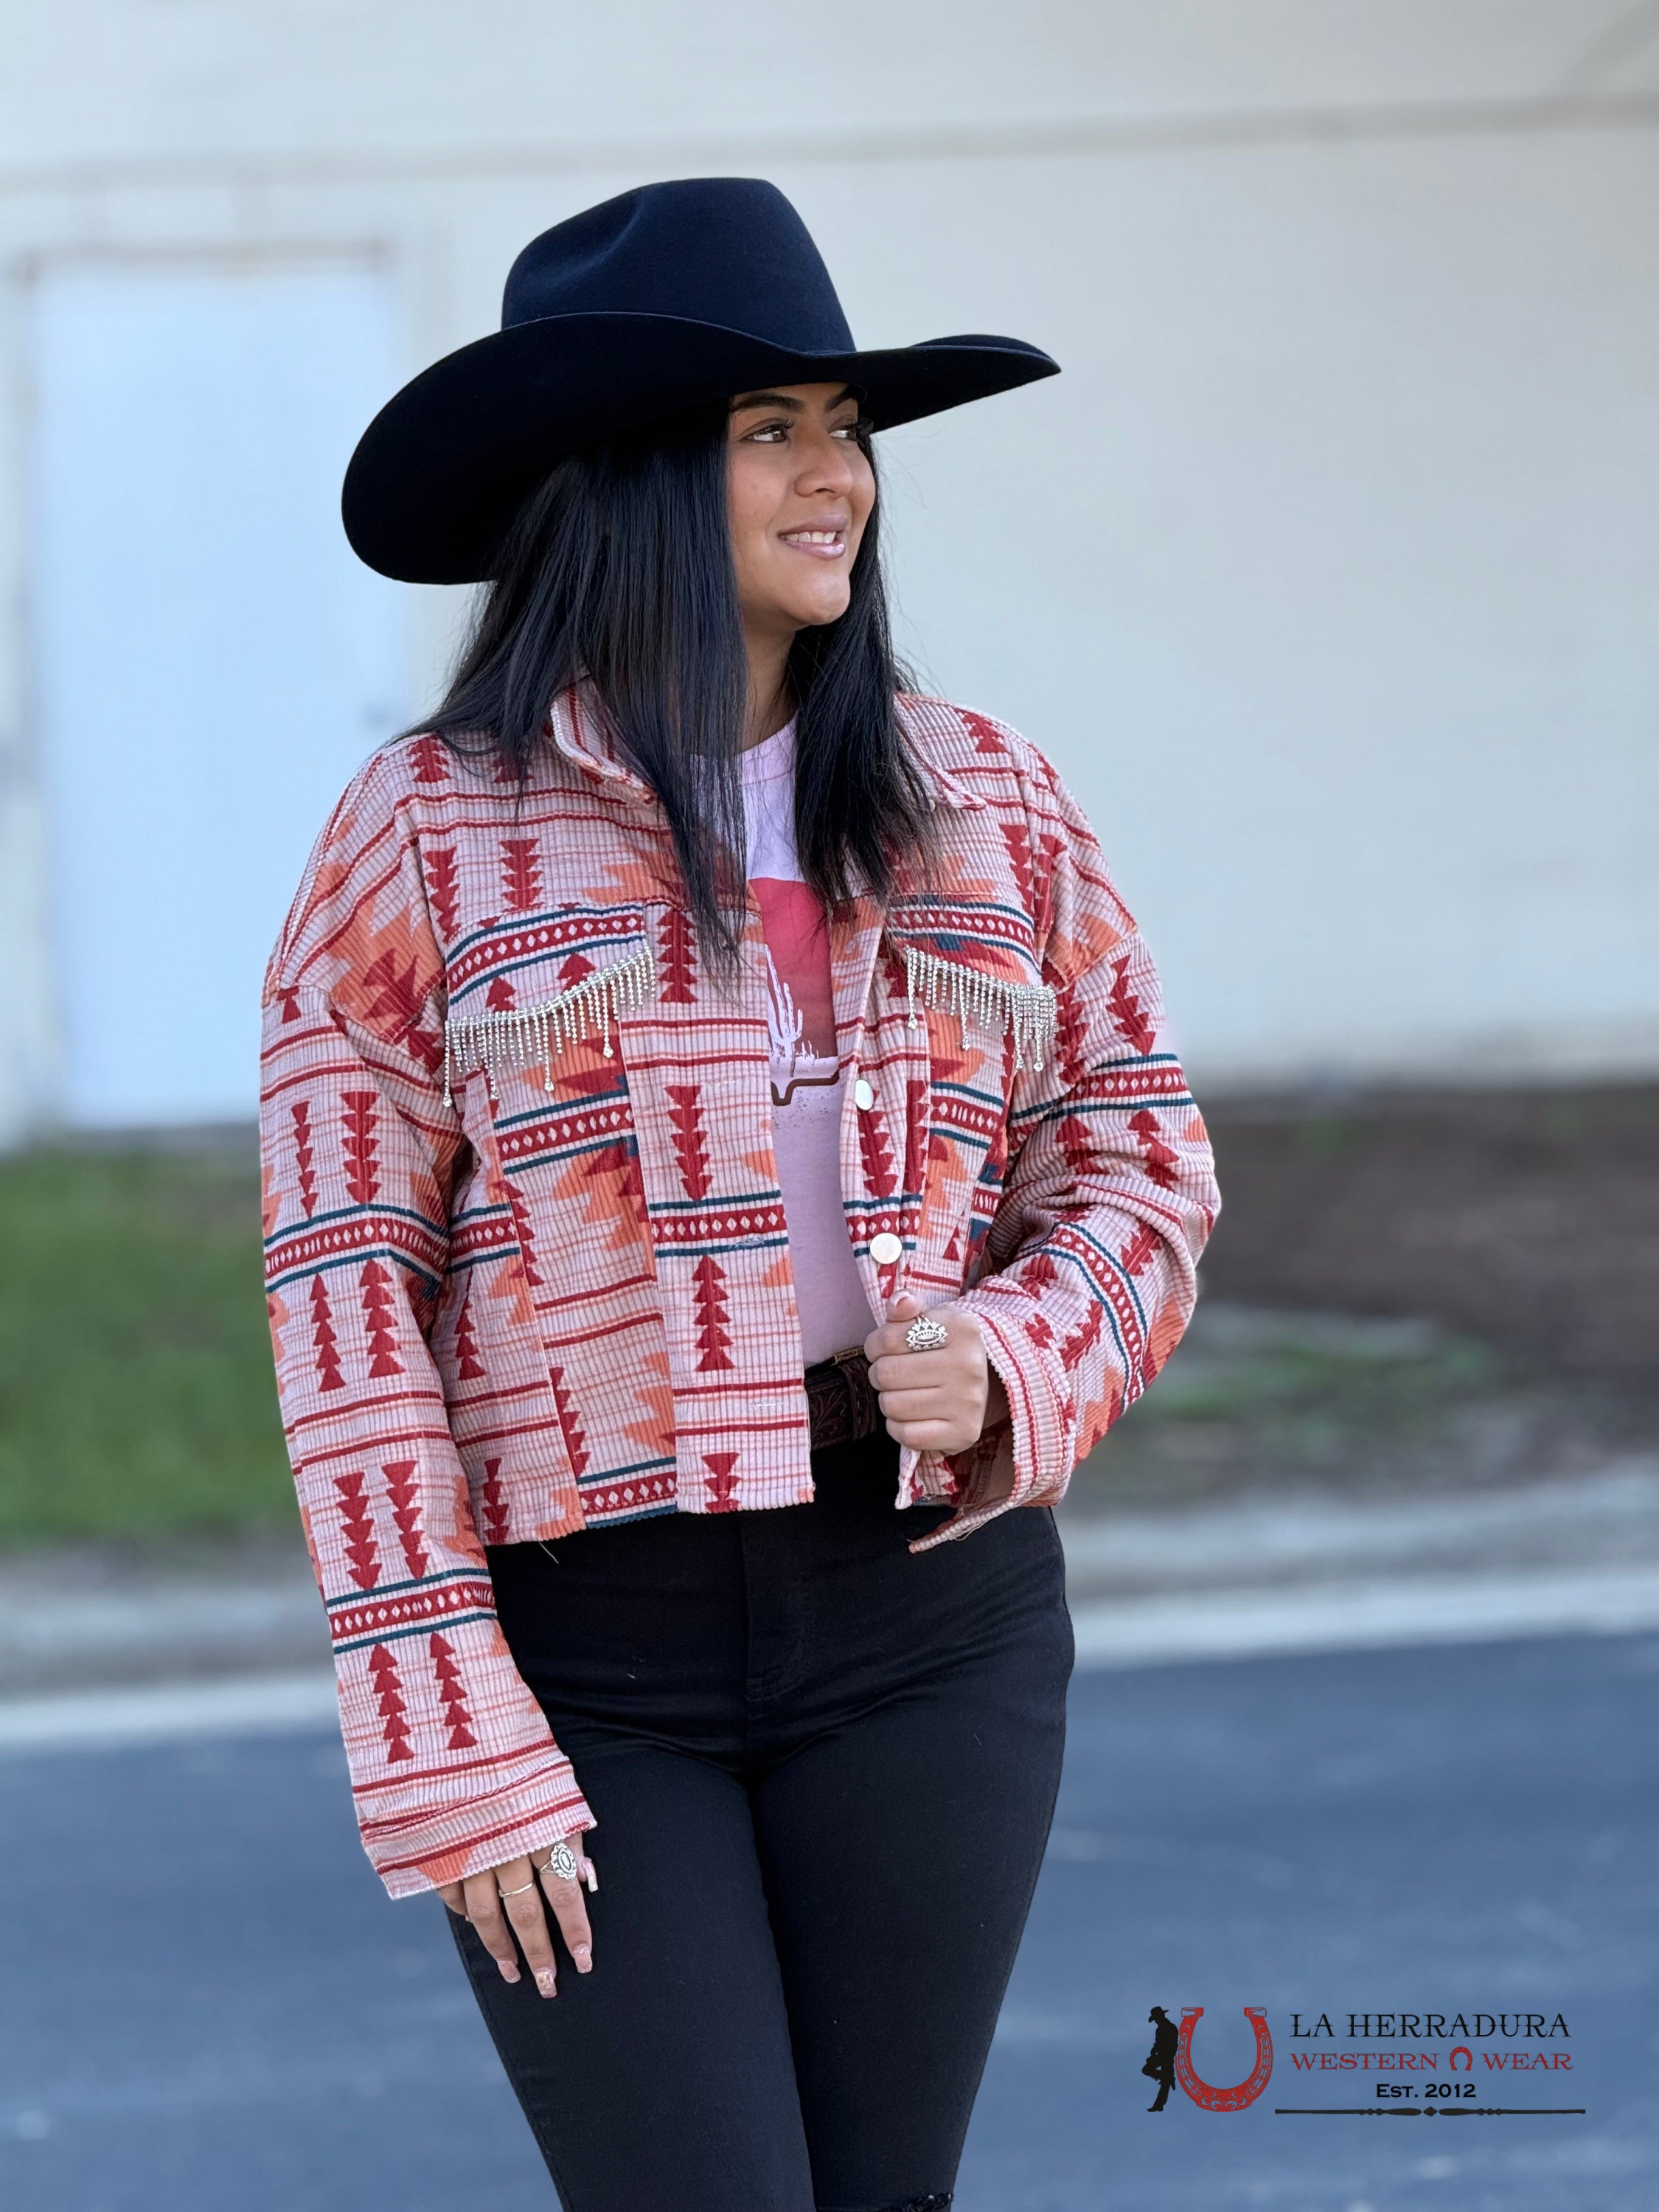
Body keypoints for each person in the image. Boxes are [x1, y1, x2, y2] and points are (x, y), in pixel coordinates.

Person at [260, 177, 1219, 2212]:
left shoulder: (990, 797)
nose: (835, 476)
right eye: (769, 429)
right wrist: (442, 1721)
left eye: (844, 428)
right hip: (588, 1652)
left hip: (929, 1618)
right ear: (622, 478)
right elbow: (345, 1301)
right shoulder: (422, 833)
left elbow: (1143, 1171)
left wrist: (1017, 1351)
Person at [1144, 2006, 1180, 2110]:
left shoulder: (1169, 2027)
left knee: (1164, 2082)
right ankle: (1167, 2078)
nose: (1156, 2021)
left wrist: (1160, 2054)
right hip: (1163, 2055)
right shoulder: (1160, 2029)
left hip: (1166, 2056)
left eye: (1156, 2019)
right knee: (1165, 2080)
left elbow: (1172, 2044)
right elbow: (1158, 2043)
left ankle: (1159, 2105)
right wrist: (1153, 2052)